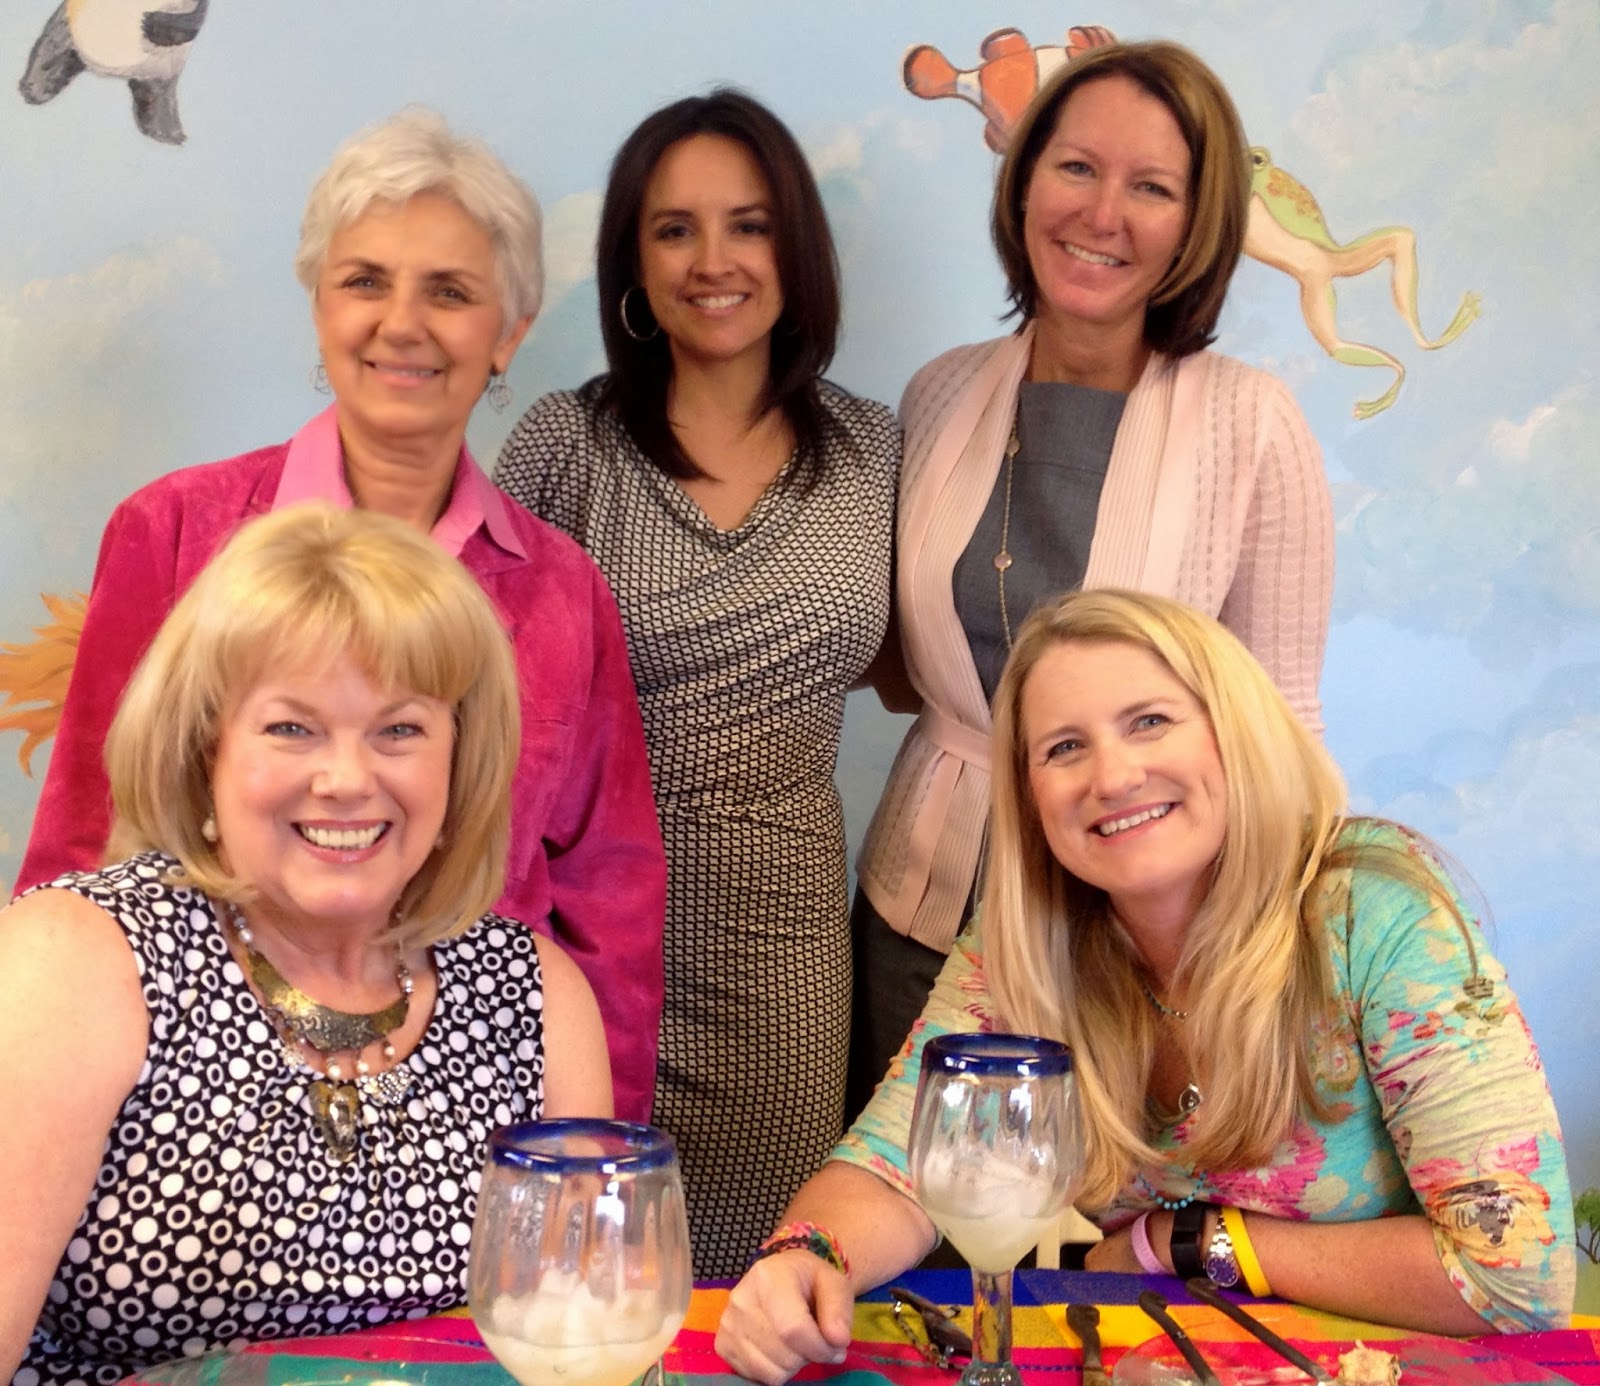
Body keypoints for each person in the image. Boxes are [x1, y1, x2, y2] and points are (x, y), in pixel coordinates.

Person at [716, 588, 1574, 1385]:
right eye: (1063, 748)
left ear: (1231, 735)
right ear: (1030, 794)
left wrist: (1187, 1241)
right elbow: (898, 1168)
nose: (1114, 776)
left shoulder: (1377, 907)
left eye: (1150, 721)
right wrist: (806, 1256)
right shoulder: (1028, 941)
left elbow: (1515, 1276)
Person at [15, 108, 666, 1125]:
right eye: (365, 281)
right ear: (319, 302)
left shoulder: (562, 589)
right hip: (203, 1091)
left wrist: (590, 1152)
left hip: (483, 1098)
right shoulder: (174, 530)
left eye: (449, 291)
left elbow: (610, 901)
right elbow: (81, 848)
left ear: (509, 332)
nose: (402, 323)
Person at [1, 504, 614, 1382]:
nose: (346, 779)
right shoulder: (75, 960)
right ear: (206, 749)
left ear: (460, 758)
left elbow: (585, 1353)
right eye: (291, 727)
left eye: (400, 729)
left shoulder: (537, 996)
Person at [847, 40, 1335, 1114]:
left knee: (1106, 1219)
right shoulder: (938, 394)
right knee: (915, 1205)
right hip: (917, 917)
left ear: (1197, 224)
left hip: (1144, 942)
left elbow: (1283, 726)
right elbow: (903, 661)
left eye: (1151, 187)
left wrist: (1274, 962)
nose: (1102, 214)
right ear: (1024, 183)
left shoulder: (1251, 423)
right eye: (1075, 167)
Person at [495, 89, 898, 1276]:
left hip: (783, 947)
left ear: (795, 247)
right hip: (584, 935)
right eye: (674, 229)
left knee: (761, 1281)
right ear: (632, 260)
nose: (712, 261)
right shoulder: (563, 445)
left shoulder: (876, 449)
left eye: (749, 225)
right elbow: (480, 705)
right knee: (579, 1272)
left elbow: (923, 663)